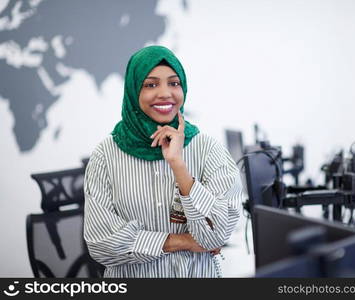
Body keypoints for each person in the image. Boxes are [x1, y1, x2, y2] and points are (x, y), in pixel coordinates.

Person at [83, 45, 244, 278]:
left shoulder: (208, 149)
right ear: (133, 90)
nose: (165, 93)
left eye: (174, 83)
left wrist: (179, 166)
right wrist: (181, 241)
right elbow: (102, 244)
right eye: (150, 85)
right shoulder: (105, 155)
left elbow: (216, 236)